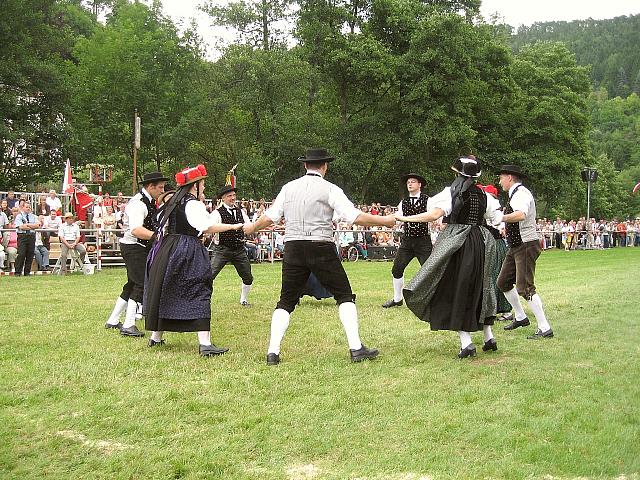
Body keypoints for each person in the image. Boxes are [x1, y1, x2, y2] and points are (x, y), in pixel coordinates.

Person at [244, 147, 396, 365]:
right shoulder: (330, 189)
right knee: (344, 295)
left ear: (306, 165)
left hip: (293, 247)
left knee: (286, 301)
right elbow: (354, 216)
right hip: (320, 245)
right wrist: (385, 221)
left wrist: (251, 229)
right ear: (325, 166)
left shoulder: (288, 188)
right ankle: (356, 348)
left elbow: (269, 217)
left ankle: (272, 352)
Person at [397, 156, 503, 357]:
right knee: (481, 285)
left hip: (459, 244)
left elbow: (433, 215)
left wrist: (403, 217)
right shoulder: (484, 195)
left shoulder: (450, 193)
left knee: (455, 288)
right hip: (481, 241)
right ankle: (489, 338)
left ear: (457, 174)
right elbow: (496, 218)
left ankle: (466, 343)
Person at [144, 164, 243, 356]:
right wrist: (233, 227)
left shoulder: (173, 202)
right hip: (186, 249)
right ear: (194, 186)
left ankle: (156, 338)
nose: (204, 188)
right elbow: (206, 226)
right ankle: (205, 344)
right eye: (203, 184)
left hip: (168, 248)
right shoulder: (192, 204)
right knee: (199, 288)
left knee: (168, 289)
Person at [104, 172, 168, 335]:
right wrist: (158, 237)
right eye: (160, 187)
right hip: (134, 247)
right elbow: (136, 229)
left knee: (132, 284)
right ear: (150, 186)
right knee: (141, 283)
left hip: (138, 246)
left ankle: (113, 320)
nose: (162, 190)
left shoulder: (148, 201)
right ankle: (128, 324)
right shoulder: (138, 203)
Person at [497, 165, 554, 339]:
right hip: (516, 246)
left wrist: (500, 218)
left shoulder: (520, 193)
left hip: (526, 244)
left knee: (526, 288)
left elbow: (521, 215)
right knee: (503, 282)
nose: (500, 182)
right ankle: (521, 317)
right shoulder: (514, 194)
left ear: (509, 178)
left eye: (501, 178)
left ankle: (545, 328)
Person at [382, 173, 433, 308]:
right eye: (408, 182)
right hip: (407, 241)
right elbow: (397, 218)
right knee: (397, 269)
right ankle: (397, 299)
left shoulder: (428, 200)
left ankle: (433, 299)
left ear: (419, 184)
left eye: (413, 182)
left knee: (430, 271)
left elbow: (432, 218)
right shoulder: (403, 202)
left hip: (423, 241)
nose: (409, 184)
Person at [209, 185, 254, 306]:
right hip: (222, 249)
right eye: (229, 196)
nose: (233, 198)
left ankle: (243, 300)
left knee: (248, 276)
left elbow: (248, 226)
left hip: (239, 249)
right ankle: (202, 300)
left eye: (234, 195)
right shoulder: (216, 213)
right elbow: (210, 227)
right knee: (209, 275)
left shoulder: (241, 211)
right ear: (223, 198)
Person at [13, 203, 40, 276]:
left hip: (31, 236)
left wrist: (27, 225)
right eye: (26, 207)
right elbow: (21, 227)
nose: (28, 208)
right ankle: (18, 272)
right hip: (22, 236)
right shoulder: (19, 216)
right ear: (23, 208)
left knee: (30, 254)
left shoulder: (33, 216)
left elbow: (38, 225)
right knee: (21, 254)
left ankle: (27, 272)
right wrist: (32, 226)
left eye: (29, 207)